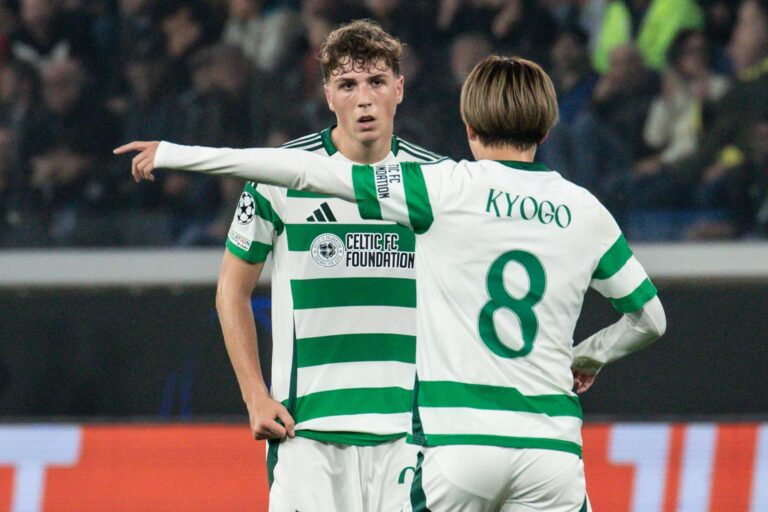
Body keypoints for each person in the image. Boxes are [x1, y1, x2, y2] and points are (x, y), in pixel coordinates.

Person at [117, 55, 666, 511]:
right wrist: (589, 356)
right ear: (547, 130)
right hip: (552, 451)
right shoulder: (585, 210)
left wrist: (176, 154)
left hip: (457, 447)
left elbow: (305, 171)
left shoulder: (442, 188)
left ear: (469, 128)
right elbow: (650, 318)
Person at [126, 19, 443, 512]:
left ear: (399, 89)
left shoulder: (437, 182)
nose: (364, 99)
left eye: (377, 82)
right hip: (306, 435)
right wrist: (255, 395)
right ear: (327, 94)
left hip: (410, 435)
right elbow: (231, 290)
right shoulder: (278, 175)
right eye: (348, 85)